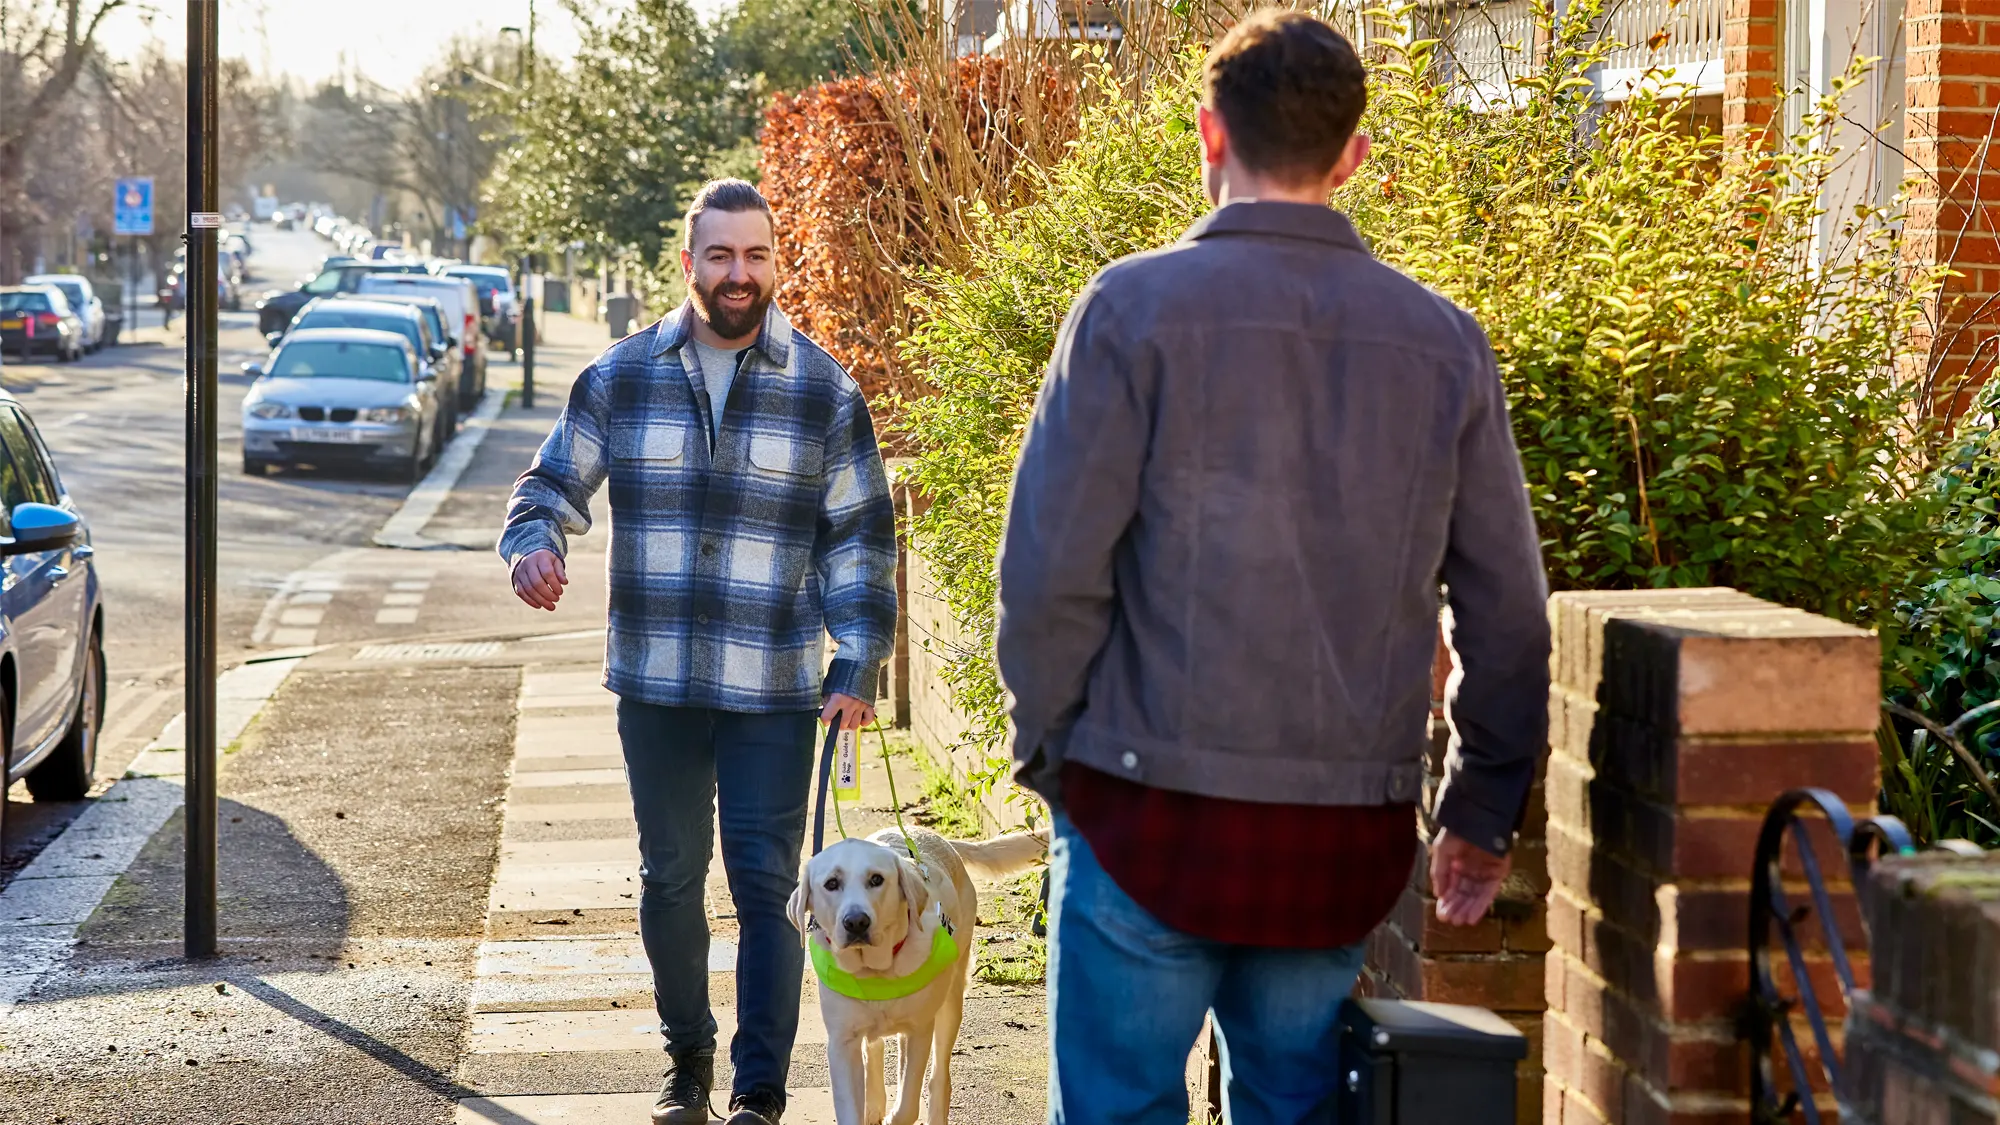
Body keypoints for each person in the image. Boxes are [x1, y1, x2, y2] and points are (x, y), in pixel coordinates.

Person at [994, 12, 1552, 1124]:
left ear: (1207, 134)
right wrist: (1478, 813)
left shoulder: (1128, 310)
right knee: (1295, 1107)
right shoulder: (1442, 342)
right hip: (1334, 834)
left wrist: (1054, 759)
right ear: (1352, 157)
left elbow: (1048, 576)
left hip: (1140, 807)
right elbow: (1510, 615)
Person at [501, 178, 897, 1125]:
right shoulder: (620, 377)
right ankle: (687, 1065)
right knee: (670, 876)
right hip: (660, 679)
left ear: (775, 261)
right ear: (689, 264)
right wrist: (535, 543)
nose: (738, 273)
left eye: (755, 255)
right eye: (719, 256)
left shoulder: (823, 389)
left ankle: (759, 1093)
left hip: (774, 683)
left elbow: (860, 537)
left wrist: (859, 660)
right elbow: (550, 483)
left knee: (767, 882)